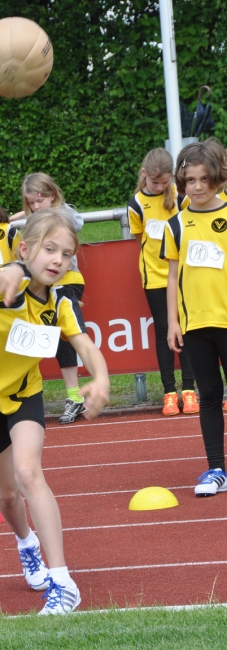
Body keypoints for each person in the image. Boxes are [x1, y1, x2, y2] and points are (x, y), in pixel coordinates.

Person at [0, 208, 110, 614]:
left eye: (67, 254)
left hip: (24, 395)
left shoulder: (59, 303)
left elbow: (86, 346)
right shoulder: (4, 281)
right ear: (26, 249)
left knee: (27, 472)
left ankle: (62, 582)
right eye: (49, 249)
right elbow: (10, 277)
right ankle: (26, 542)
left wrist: (102, 378)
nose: (57, 260)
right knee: (6, 495)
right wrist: (11, 273)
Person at [162, 139, 227, 496]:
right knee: (209, 395)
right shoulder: (177, 225)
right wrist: (173, 322)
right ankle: (216, 468)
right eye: (191, 180)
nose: (198, 187)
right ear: (182, 182)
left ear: (218, 178)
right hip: (195, 325)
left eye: (205, 179)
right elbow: (172, 276)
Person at [9, 172, 86, 425]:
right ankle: (26, 397)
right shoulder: (35, 219)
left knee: (67, 340)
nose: (35, 207)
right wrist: (22, 216)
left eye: (39, 201)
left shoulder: (64, 216)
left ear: (52, 196)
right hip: (41, 286)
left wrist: (45, 214)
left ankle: (74, 396)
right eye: (30, 203)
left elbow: (76, 221)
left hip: (67, 283)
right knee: (32, 339)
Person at [128, 148, 199, 416]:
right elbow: (140, 240)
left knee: (186, 329)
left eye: (164, 182)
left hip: (182, 274)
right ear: (144, 174)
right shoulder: (136, 204)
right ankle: (170, 392)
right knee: (163, 330)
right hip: (155, 277)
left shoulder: (180, 198)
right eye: (154, 182)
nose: (159, 187)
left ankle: (190, 390)